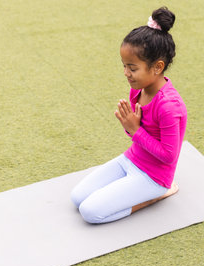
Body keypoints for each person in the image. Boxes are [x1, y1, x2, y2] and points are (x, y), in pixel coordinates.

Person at [71, 7, 187, 224]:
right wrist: (130, 127)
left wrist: (135, 130)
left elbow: (169, 156)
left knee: (90, 212)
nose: (126, 73)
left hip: (155, 177)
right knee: (77, 197)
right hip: (132, 159)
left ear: (157, 67)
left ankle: (157, 195)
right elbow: (135, 133)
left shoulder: (170, 107)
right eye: (124, 66)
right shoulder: (138, 89)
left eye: (132, 68)